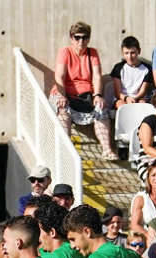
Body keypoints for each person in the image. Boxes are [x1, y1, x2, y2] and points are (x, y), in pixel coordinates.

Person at [49, 22, 115, 160]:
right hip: (65, 93)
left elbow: (97, 76)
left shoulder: (93, 53)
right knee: (62, 109)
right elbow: (59, 76)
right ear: (71, 38)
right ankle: (64, 150)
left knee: (101, 108)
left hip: (86, 95)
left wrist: (97, 94)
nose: (81, 41)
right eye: (77, 37)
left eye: (85, 37)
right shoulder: (65, 52)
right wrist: (62, 94)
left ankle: (107, 150)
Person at [110, 36, 153, 107]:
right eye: (126, 53)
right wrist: (126, 98)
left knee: (143, 105)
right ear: (122, 53)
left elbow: (143, 91)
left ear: (139, 51)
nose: (129, 57)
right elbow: (118, 92)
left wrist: (134, 99)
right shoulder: (118, 68)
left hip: (139, 98)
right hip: (122, 98)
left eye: (132, 53)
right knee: (122, 106)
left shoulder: (147, 69)